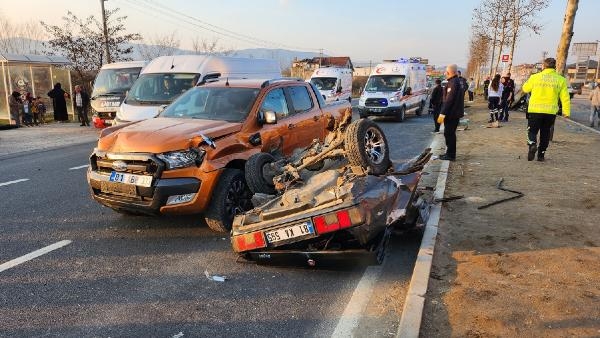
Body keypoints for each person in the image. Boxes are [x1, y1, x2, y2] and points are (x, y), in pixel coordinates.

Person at [522, 57, 570, 162]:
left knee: (532, 131)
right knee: (545, 133)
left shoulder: (535, 77)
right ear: (555, 66)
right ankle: (541, 155)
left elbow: (525, 89)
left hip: (535, 110)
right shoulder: (561, 80)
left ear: (544, 66)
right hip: (550, 112)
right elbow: (565, 97)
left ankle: (532, 144)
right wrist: (566, 112)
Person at [437, 64, 465, 161]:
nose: (445, 73)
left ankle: (451, 155)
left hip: (452, 114)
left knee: (449, 133)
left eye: (445, 72)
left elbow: (449, 100)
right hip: (454, 112)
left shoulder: (453, 83)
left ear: (449, 72)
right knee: (449, 133)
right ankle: (449, 153)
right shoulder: (457, 81)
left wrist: (442, 114)